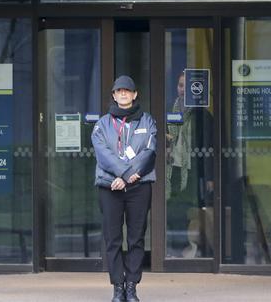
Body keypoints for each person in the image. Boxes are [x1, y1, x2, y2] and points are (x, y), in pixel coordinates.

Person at [92, 75, 157, 302]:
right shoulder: (102, 125)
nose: (123, 94)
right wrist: (123, 174)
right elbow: (104, 156)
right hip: (110, 187)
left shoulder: (147, 121)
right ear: (113, 95)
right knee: (113, 239)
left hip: (139, 187)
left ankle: (132, 286)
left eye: (127, 90)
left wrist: (128, 177)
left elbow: (148, 152)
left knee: (137, 238)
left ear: (134, 94)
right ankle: (118, 287)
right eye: (119, 91)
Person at [166, 71, 214, 258]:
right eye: (180, 85)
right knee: (172, 209)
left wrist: (210, 177)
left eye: (187, 86)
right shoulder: (171, 112)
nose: (183, 90)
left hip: (195, 173)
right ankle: (180, 249)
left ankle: (194, 250)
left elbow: (210, 148)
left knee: (186, 209)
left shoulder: (203, 116)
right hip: (173, 171)